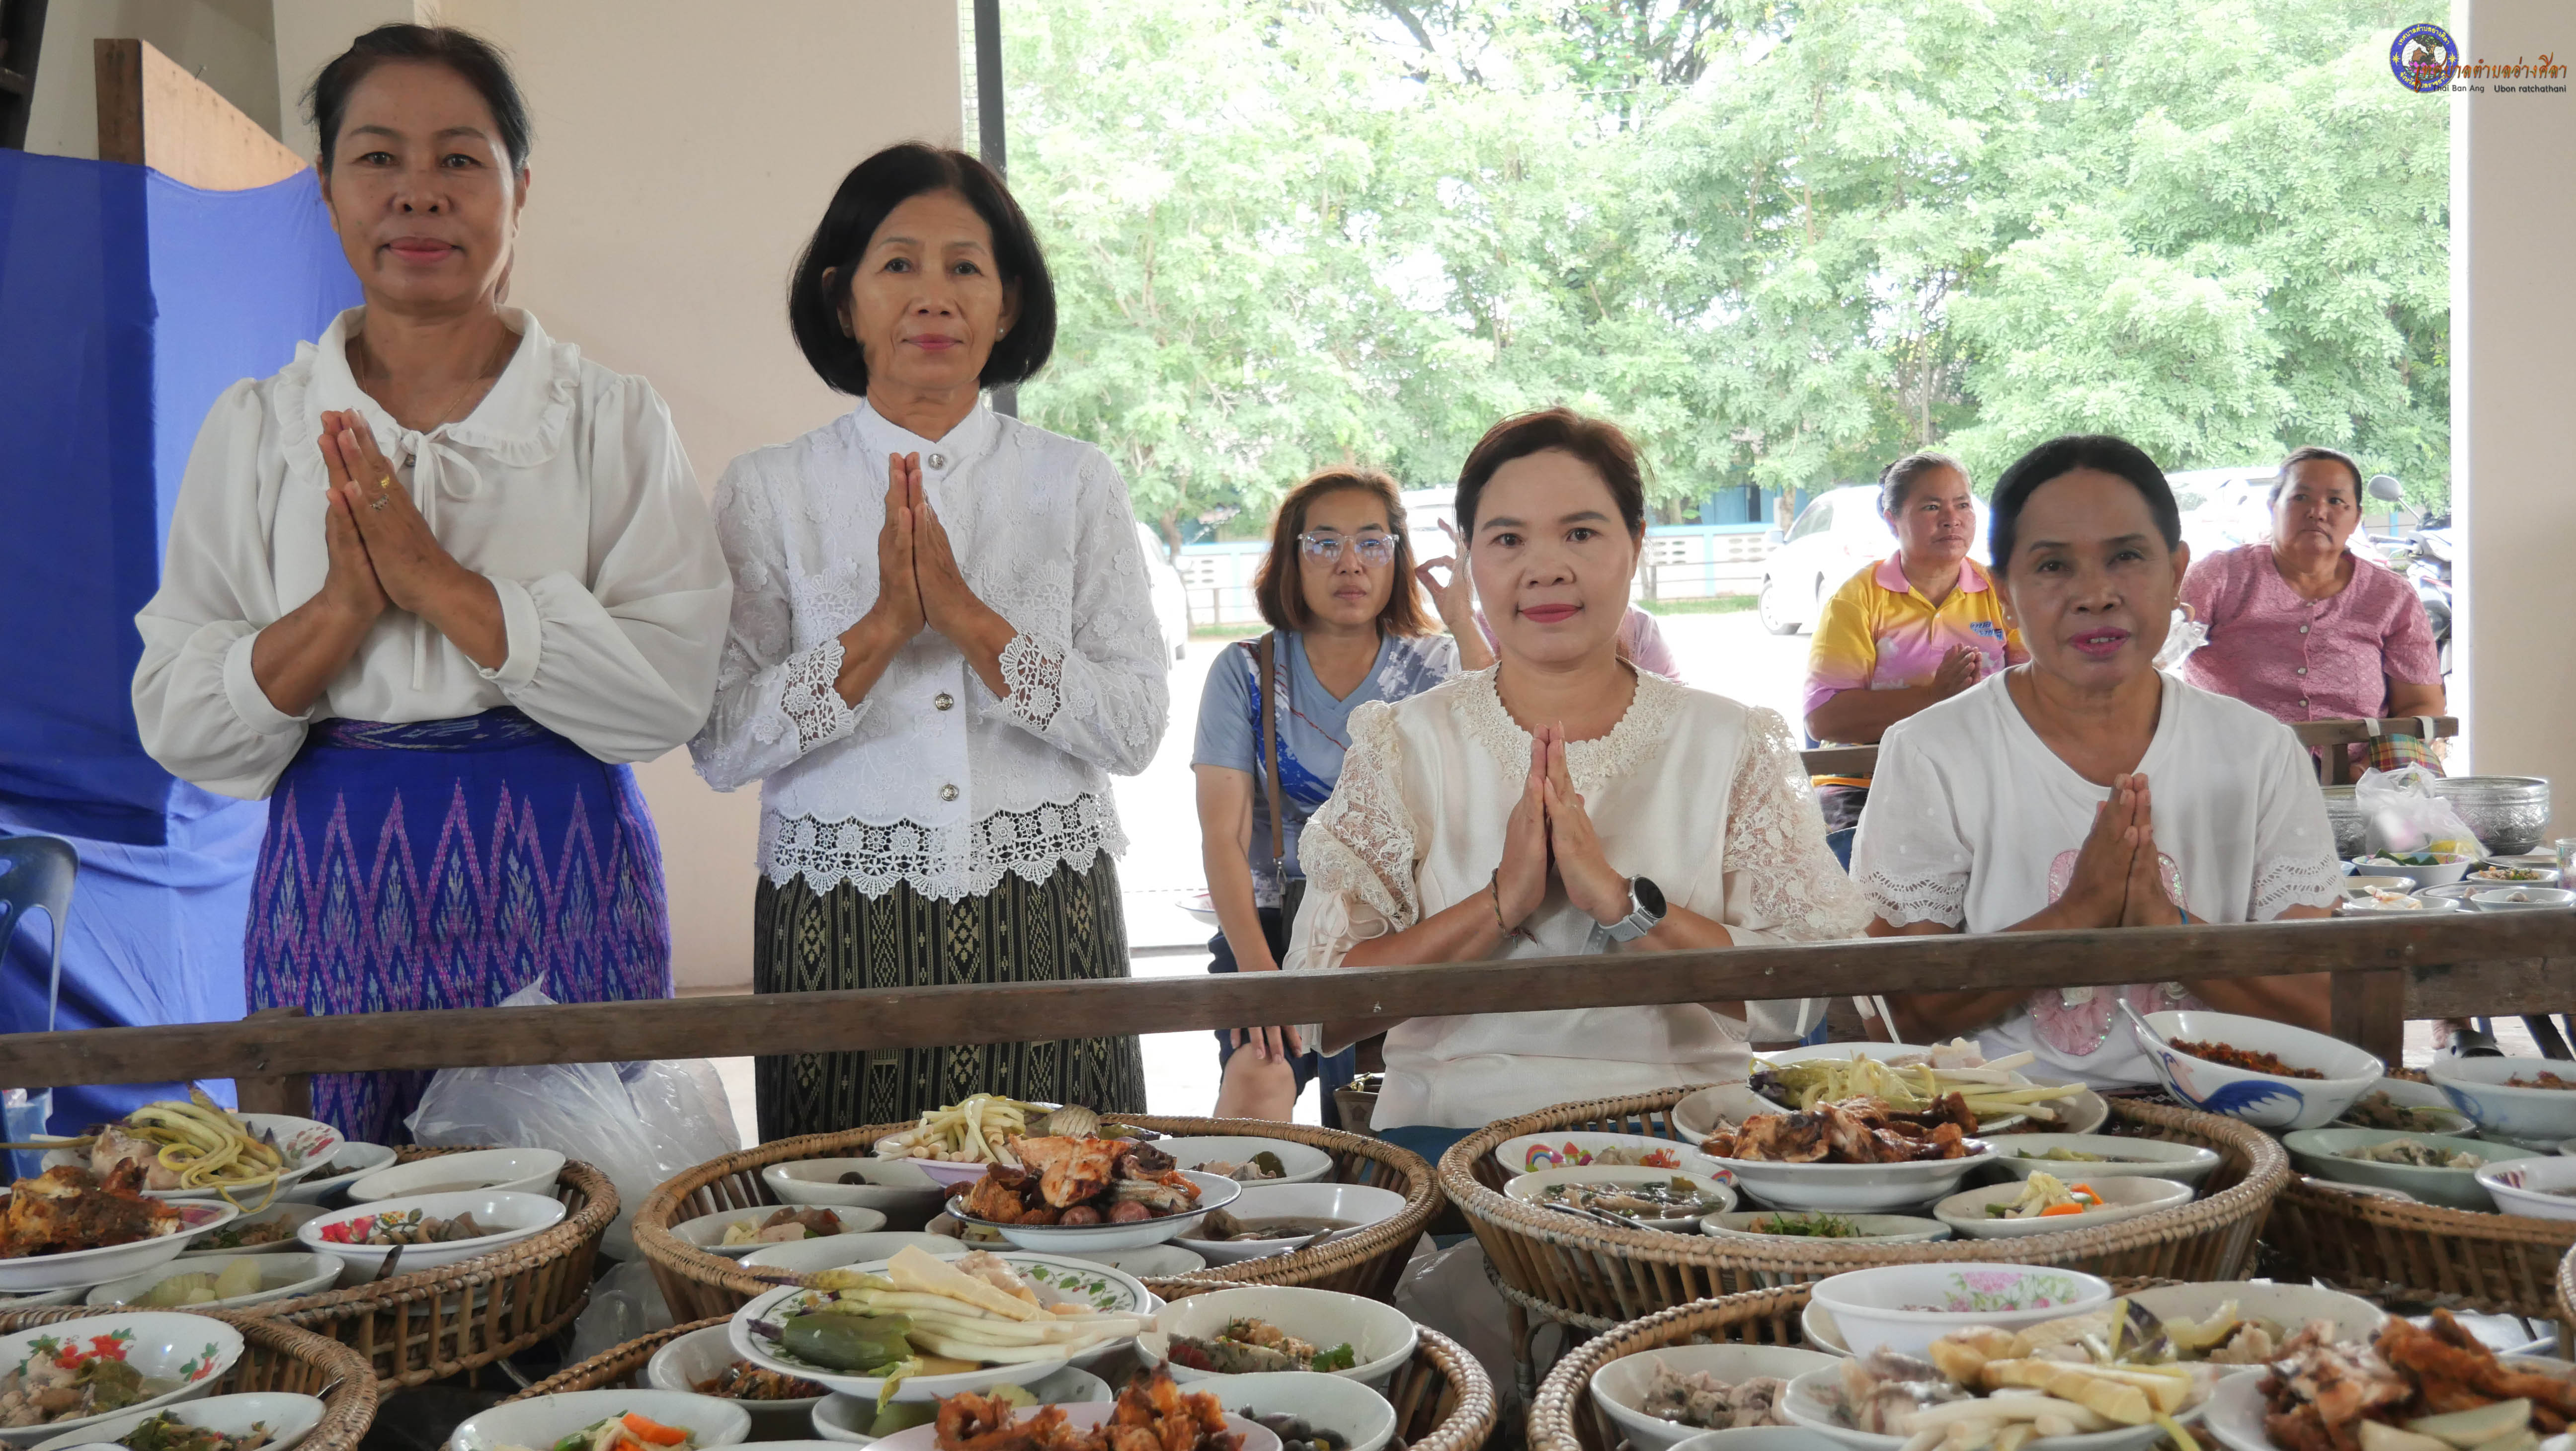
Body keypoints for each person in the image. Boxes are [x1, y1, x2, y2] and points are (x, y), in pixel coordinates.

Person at [130, 25, 731, 1143]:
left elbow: (665, 696)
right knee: (349, 1210)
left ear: (520, 188)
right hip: (335, 877)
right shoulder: (257, 429)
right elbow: (179, 717)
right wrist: (340, 611)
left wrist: (441, 584)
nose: (419, 194)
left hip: (568, 874)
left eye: (460, 159)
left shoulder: (609, 420)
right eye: (377, 159)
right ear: (325, 188)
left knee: (581, 1195)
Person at [690, 143, 1166, 1139]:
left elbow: (1132, 729)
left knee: (1068, 1195)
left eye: (966, 267)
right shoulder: (770, 488)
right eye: (898, 264)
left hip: (1049, 908)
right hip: (836, 914)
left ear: (1009, 303)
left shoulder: (1074, 480)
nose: (933, 296)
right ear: (842, 300)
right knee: (846, 1206)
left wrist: (971, 621)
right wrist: (880, 630)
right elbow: (722, 741)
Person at [1284, 408, 1865, 1164]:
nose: (1546, 569)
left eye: (1581, 533)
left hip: (1685, 1141)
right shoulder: (1405, 743)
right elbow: (1320, 1011)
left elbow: (1795, 1001)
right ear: (1470, 560)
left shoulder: (1731, 740)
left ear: (1636, 545)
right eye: (1508, 540)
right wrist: (1499, 904)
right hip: (1453, 1145)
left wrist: (1624, 906)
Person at [1851, 434, 2343, 1087]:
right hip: (2003, 1125)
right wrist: (2076, 915)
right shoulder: (1932, 751)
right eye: (2053, 566)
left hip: (2230, 1115)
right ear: (2003, 591)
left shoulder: (2259, 751)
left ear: (2177, 572)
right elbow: (1897, 1016)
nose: (2095, 595)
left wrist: (2167, 928)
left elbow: (2323, 1007)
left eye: (2127, 557)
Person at [1194, 469, 1459, 1125]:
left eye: (1372, 542)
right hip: (1271, 924)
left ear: (1397, 556)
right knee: (1257, 1079)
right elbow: (1223, 837)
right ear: (1293, 557)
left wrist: (1464, 622)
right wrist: (1261, 978)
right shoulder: (1246, 670)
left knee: (1414, 1107)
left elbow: (1500, 759)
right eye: (1324, 543)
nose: (1350, 563)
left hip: (1401, 926)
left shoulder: (1436, 665)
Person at [1803, 452, 2026, 834]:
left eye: (1963, 505)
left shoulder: (2003, 592)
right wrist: (1932, 697)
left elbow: (2040, 690)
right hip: (1868, 780)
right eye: (1931, 507)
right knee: (1858, 854)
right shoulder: (1857, 599)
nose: (1952, 519)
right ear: (1892, 520)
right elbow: (1823, 718)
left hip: (1980, 774)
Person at [2180, 446, 2444, 764]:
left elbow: (2421, 705)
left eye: (2336, 501)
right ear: (2273, 507)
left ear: (2356, 518)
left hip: (2357, 781)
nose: (2317, 512)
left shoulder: (2391, 596)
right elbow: (2154, 658)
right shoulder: (2218, 577)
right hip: (2231, 772)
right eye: (2300, 497)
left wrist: (2370, 769)